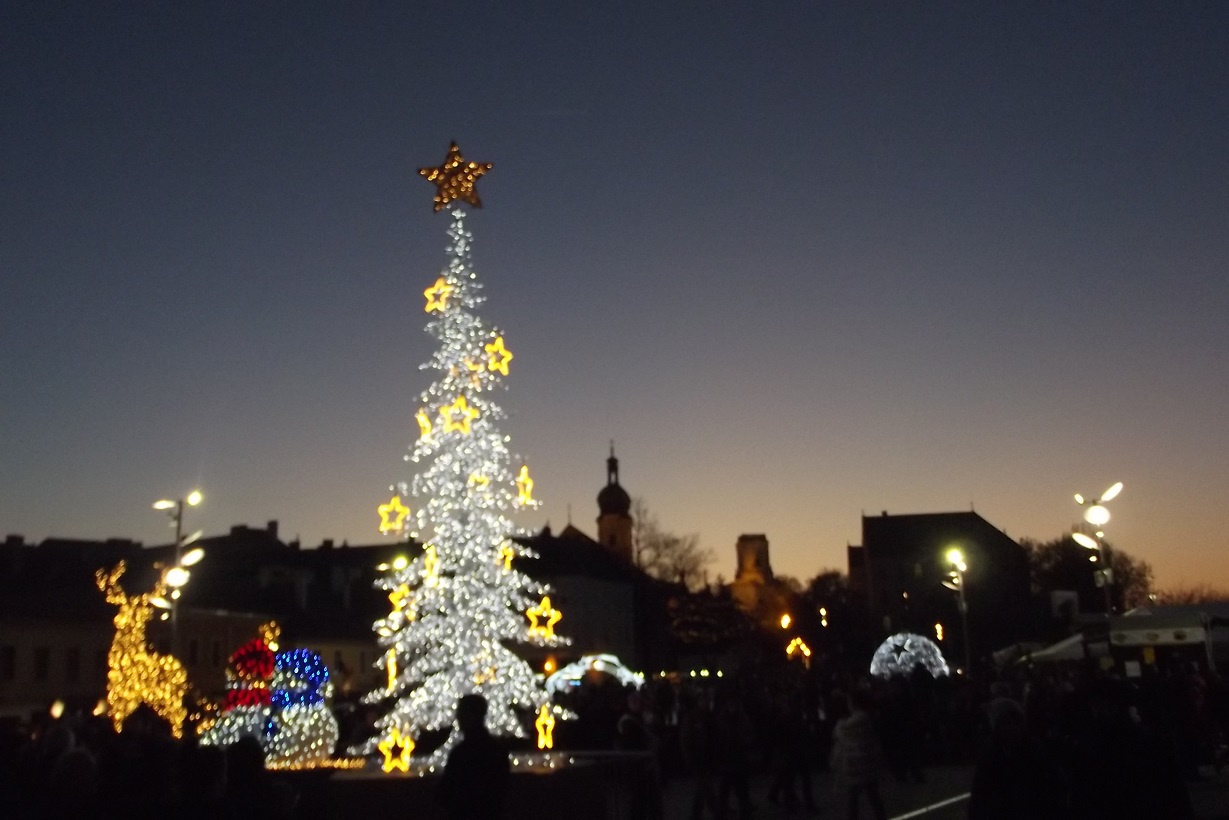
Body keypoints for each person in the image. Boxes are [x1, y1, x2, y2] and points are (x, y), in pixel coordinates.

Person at [439, 694, 510, 820]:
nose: (458, 718)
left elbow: (446, 792)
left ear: (471, 716)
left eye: (461, 713)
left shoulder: (461, 753)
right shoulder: (497, 749)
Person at [830, 689, 886, 820]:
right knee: (873, 796)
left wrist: (840, 723)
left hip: (856, 766)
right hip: (868, 764)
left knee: (853, 799)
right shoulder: (868, 718)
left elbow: (840, 734)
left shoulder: (853, 722)